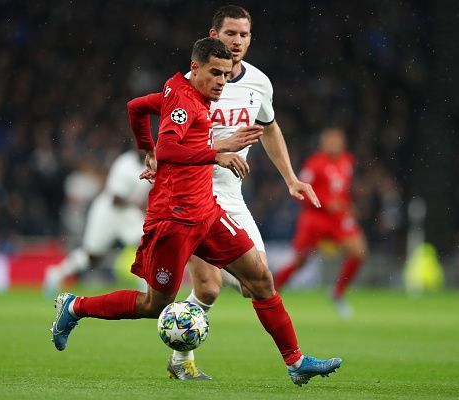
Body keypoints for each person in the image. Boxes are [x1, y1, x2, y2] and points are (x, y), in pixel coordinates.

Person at [50, 37, 342, 386]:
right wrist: (214, 152)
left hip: (207, 214)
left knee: (261, 280)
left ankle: (296, 362)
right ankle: (75, 306)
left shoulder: (186, 92)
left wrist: (147, 150)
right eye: (215, 73)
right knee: (154, 305)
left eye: (226, 74)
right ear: (195, 68)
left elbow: (136, 107)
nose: (222, 81)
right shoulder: (185, 103)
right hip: (173, 221)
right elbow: (171, 147)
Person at [129, 5, 321, 380]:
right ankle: (183, 360)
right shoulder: (190, 82)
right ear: (213, 36)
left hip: (233, 196)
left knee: (255, 285)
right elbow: (164, 130)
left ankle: (183, 343)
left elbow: (268, 127)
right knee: (210, 287)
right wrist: (155, 155)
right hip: (193, 194)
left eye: (244, 35)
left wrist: (291, 178)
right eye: (230, 33)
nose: (237, 42)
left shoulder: (259, 84)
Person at [274, 127, 368, 318]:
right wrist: (325, 203)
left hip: (338, 218)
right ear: (323, 143)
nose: (334, 144)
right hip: (315, 218)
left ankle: (337, 292)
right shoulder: (314, 164)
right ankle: (273, 291)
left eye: (338, 141)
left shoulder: (347, 161)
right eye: (330, 141)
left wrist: (347, 205)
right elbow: (299, 192)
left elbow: (342, 190)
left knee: (358, 251)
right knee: (300, 261)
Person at [43, 150, 150, 298]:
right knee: (93, 256)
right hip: (108, 212)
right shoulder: (125, 164)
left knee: (146, 243)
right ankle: (55, 274)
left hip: (127, 213)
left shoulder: (153, 163)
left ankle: (146, 291)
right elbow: (115, 198)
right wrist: (137, 205)